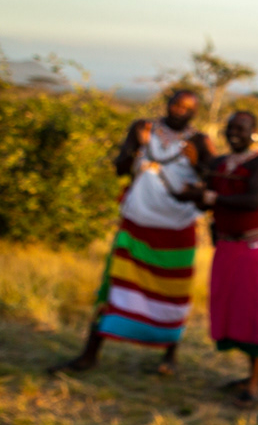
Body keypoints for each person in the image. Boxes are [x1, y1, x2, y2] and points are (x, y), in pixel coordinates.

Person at [53, 87, 213, 375]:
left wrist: (196, 163)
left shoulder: (200, 141)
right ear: (167, 103)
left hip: (177, 228)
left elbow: (212, 181)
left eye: (187, 108)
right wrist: (137, 148)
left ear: (195, 113)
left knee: (173, 291)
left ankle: (169, 358)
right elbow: (120, 169)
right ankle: (89, 355)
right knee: (114, 285)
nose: (179, 110)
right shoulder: (143, 128)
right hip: (136, 222)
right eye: (176, 104)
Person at [184, 110, 258, 408]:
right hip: (227, 245)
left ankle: (255, 382)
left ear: (254, 130)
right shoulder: (219, 164)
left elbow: (253, 199)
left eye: (241, 128)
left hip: (257, 247)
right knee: (234, 309)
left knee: (257, 311)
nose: (234, 133)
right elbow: (206, 195)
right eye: (230, 128)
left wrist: (211, 198)